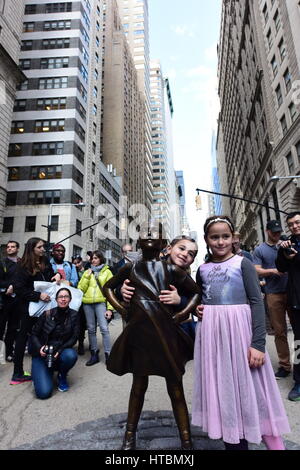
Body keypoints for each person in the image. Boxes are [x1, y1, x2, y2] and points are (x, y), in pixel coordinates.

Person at [192, 215, 290, 450]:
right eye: (214, 237)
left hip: (240, 333)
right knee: (224, 389)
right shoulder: (203, 270)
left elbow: (257, 301)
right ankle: (233, 438)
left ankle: (273, 442)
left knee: (255, 389)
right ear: (206, 239)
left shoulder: (242, 263)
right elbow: (202, 297)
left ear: (233, 238)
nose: (220, 242)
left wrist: (257, 344)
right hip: (214, 338)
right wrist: (199, 307)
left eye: (225, 236)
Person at [103, 223, 201, 451]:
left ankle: (186, 441)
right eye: (145, 232)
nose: (149, 235)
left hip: (167, 334)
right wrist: (121, 308)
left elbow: (196, 292)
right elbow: (108, 287)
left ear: (163, 244)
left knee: (176, 388)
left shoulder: (172, 271)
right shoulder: (131, 268)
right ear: (138, 241)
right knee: (138, 386)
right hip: (139, 335)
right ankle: (129, 436)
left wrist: (181, 313)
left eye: (155, 233)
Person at [121, 235, 199, 340]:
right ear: (169, 249)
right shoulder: (148, 266)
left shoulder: (187, 280)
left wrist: (180, 300)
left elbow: (196, 305)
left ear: (192, 261)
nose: (185, 254)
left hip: (175, 333)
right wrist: (123, 290)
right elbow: (120, 286)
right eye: (181, 248)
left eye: (190, 254)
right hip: (144, 329)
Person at [10, 238, 61, 385]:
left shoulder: (44, 260)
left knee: (46, 333)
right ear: (32, 249)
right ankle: (17, 373)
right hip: (29, 308)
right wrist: (38, 295)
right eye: (40, 247)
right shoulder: (22, 265)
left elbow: (51, 274)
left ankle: (48, 364)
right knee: (23, 337)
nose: (43, 249)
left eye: (43, 246)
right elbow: (19, 289)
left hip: (46, 307)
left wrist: (57, 275)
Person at [253, 220, 291, 379]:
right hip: (273, 294)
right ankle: (285, 365)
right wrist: (274, 271)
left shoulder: (287, 244)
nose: (276, 234)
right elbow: (257, 270)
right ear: (267, 231)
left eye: (278, 231)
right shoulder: (260, 250)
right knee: (280, 331)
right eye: (273, 232)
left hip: (292, 291)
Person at [29, 288, 79, 398]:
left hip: (60, 351)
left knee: (70, 355)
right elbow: (34, 334)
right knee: (44, 393)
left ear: (70, 299)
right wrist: (39, 348)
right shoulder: (46, 314)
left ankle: (62, 374)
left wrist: (60, 350)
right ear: (56, 299)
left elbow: (74, 338)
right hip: (42, 354)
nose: (63, 299)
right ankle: (44, 372)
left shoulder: (74, 315)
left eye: (66, 296)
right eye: (61, 297)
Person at [276, 211, 300, 401]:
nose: (294, 226)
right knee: (299, 342)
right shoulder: (287, 244)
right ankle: (299, 381)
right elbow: (281, 268)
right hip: (297, 300)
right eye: (291, 224)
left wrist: (296, 258)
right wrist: (283, 252)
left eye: (297, 222)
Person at [78, 250, 114, 366]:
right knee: (91, 329)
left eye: (96, 258)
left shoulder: (107, 272)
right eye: (92, 258)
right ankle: (94, 353)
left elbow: (110, 292)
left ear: (100, 259)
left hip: (100, 303)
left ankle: (109, 354)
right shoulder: (87, 272)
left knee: (104, 328)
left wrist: (109, 309)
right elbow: (81, 289)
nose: (93, 260)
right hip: (87, 303)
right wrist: (87, 277)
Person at [0, 241, 21, 361]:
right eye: (8, 247)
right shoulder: (2, 262)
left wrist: (14, 286)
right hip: (4, 300)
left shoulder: (22, 262)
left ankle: (9, 352)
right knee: (1, 327)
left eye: (12, 247)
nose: (9, 249)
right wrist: (9, 286)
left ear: (18, 249)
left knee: (13, 328)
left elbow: (24, 279)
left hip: (17, 300)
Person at [73, 256, 86, 355]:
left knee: (82, 323)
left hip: (84, 300)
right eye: (74, 263)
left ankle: (81, 343)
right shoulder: (74, 271)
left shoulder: (87, 271)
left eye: (77, 263)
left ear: (81, 262)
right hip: (75, 299)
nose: (76, 265)